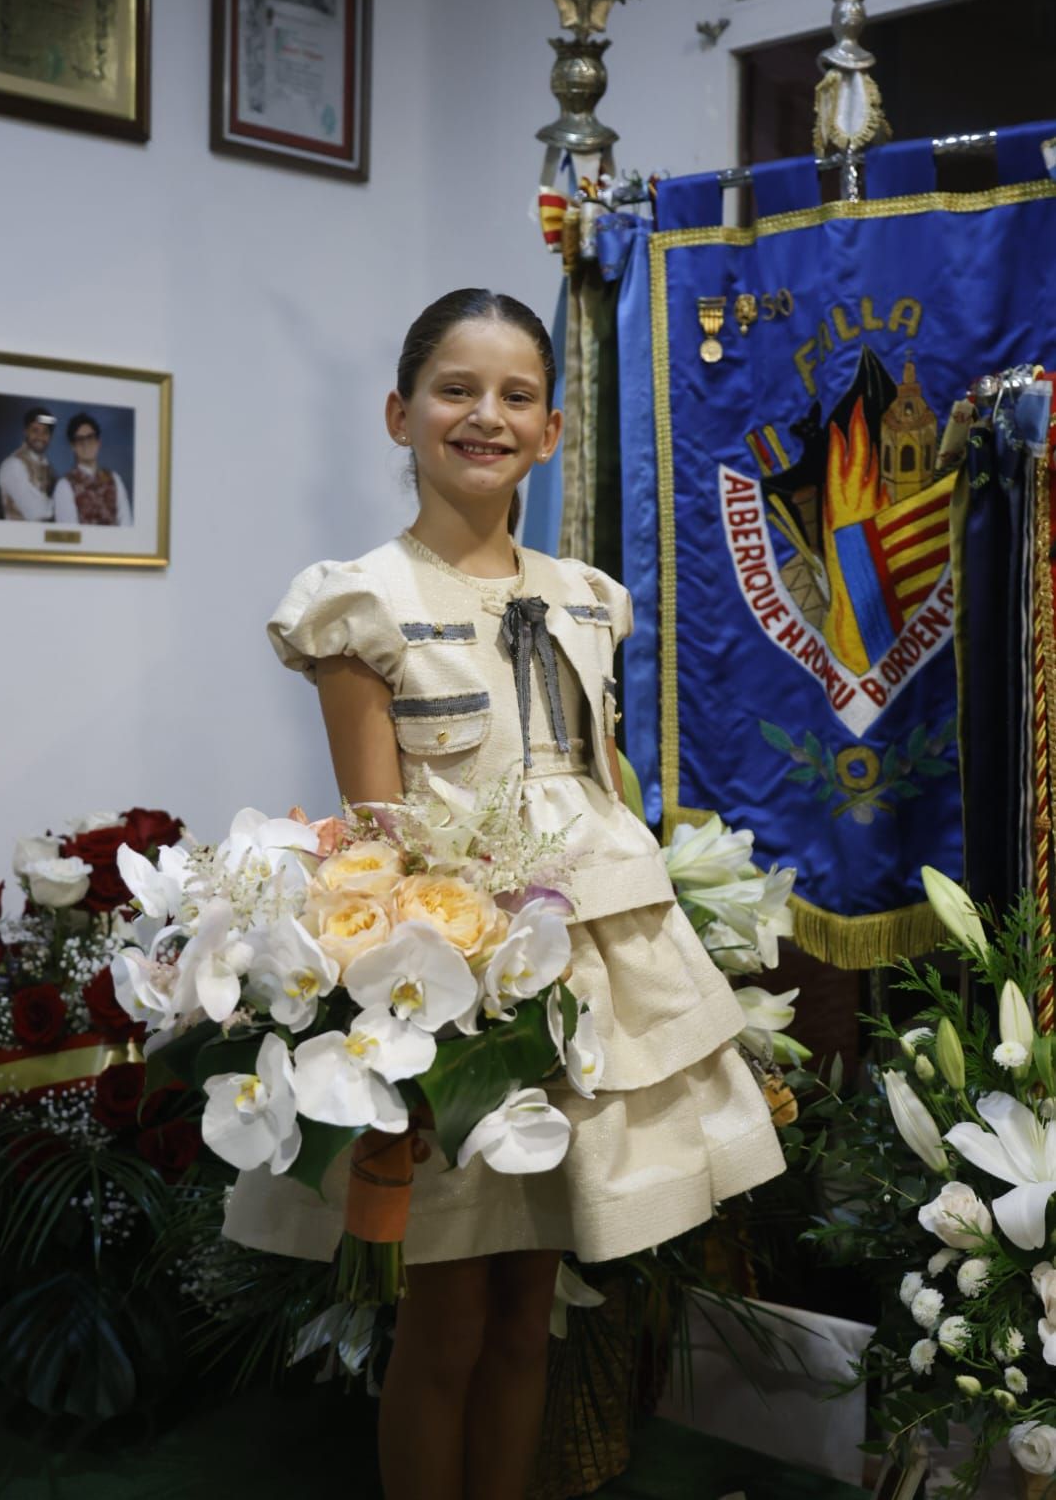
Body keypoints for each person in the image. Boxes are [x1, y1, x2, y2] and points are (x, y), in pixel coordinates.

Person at [223, 289, 785, 1500]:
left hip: (587, 981)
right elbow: (376, 831)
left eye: (515, 396)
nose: (485, 416)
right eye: (455, 390)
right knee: (446, 1320)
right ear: (400, 413)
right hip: (454, 978)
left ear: (552, 431)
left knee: (533, 1311)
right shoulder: (360, 600)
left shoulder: (589, 594)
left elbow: (600, 779)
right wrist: (398, 1019)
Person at [52, 412, 132, 526]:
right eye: (79, 439)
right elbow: (69, 534)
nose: (86, 443)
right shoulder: (64, 485)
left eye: (90, 437)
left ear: (98, 442)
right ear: (73, 446)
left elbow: (126, 524)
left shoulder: (114, 479)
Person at [0, 406, 57, 521]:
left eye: (45, 432)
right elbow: (38, 513)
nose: (40, 437)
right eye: (35, 430)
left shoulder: (48, 467)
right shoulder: (13, 465)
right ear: (25, 431)